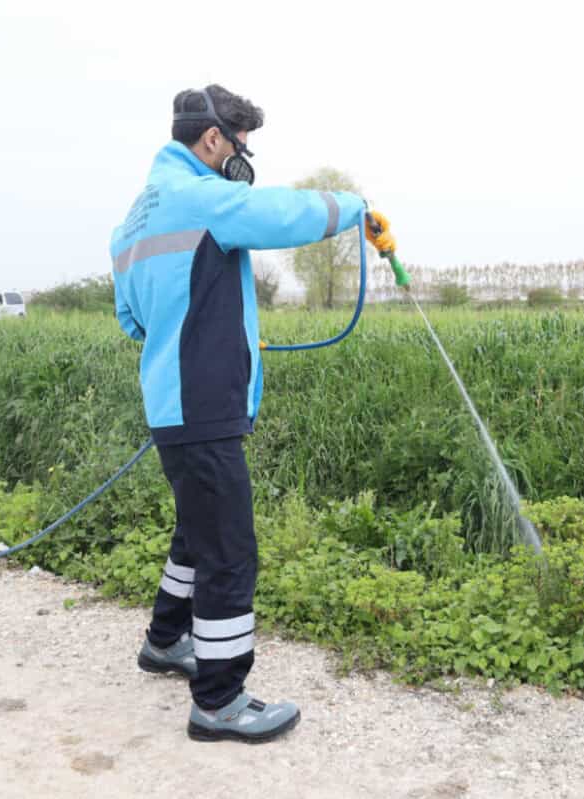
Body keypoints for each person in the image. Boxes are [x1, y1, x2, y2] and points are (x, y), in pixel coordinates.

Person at [110, 84, 396, 744]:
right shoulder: (205, 196)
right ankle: (219, 699)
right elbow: (280, 214)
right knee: (230, 551)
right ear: (212, 140)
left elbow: (134, 322)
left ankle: (164, 640)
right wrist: (355, 208)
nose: (244, 157)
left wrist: (206, 326)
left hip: (171, 403)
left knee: (197, 528)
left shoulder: (131, 222)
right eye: (241, 145)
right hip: (204, 403)